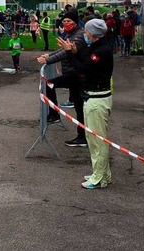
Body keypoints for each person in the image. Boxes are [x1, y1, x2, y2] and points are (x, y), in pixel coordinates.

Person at [57, 18, 113, 189]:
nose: (85, 34)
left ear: (93, 34)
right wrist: (74, 51)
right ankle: (102, 173)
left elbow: (82, 69)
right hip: (93, 97)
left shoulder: (100, 51)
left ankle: (99, 178)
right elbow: (85, 61)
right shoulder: (96, 48)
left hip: (97, 99)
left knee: (97, 141)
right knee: (93, 139)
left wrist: (68, 53)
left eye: (87, 32)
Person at [37, 9, 87, 143]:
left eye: (69, 21)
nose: (65, 23)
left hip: (76, 74)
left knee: (50, 84)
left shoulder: (79, 35)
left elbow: (66, 52)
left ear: (75, 22)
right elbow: (61, 49)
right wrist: (49, 55)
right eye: (64, 21)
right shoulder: (70, 34)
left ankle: (54, 114)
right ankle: (82, 136)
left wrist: (48, 60)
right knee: (78, 105)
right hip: (71, 73)